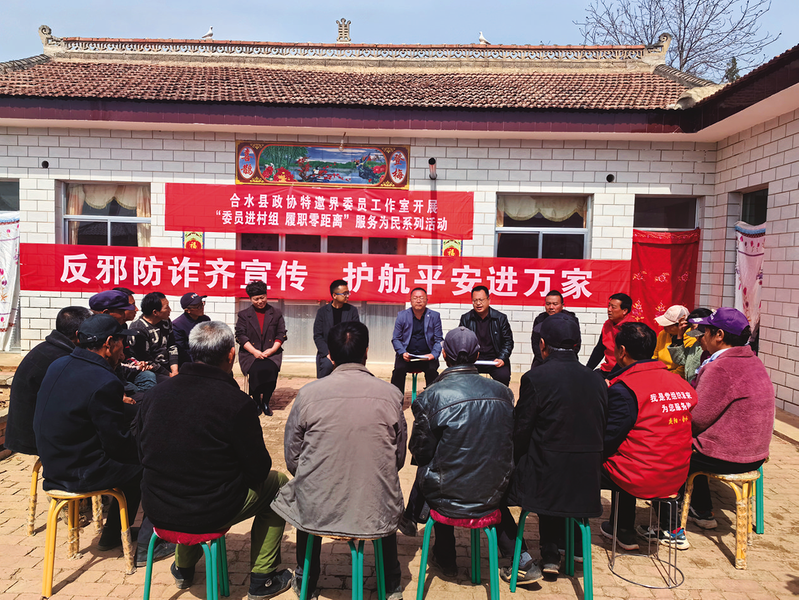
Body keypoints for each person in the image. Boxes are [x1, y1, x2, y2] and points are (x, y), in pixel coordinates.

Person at [137, 321, 292, 599]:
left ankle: (183, 568)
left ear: (192, 351)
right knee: (278, 483)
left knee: (188, 482)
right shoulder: (237, 403)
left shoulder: (155, 394)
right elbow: (258, 469)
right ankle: (263, 577)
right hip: (209, 510)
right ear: (231, 355)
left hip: (157, 507)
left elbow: (141, 450)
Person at [271, 322, 406, 600]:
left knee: (306, 492)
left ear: (330, 355)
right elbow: (398, 457)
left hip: (319, 505)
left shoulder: (308, 394)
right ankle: (391, 583)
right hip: (373, 505)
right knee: (383, 491)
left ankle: (305, 579)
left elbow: (293, 457)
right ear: (366, 351)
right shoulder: (392, 394)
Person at [33, 314, 174, 565]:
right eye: (121, 343)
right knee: (153, 466)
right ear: (109, 343)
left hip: (53, 462)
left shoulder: (59, 363)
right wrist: (150, 451)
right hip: (79, 472)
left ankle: (112, 535)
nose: (124, 350)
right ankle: (147, 545)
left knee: (136, 462)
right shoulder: (104, 380)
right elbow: (116, 444)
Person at [504, 313, 607, 579]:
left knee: (539, 465)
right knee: (556, 464)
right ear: (578, 345)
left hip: (546, 481)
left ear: (542, 345)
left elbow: (521, 430)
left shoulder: (536, 378)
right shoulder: (597, 380)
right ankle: (568, 549)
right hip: (586, 481)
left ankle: (548, 553)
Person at [408, 326, 515, 578]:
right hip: (494, 489)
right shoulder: (503, 392)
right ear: (478, 355)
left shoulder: (431, 395)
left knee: (436, 469)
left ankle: (444, 555)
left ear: (444, 354)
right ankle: (518, 556)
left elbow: (420, 452)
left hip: (448, 492)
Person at [600, 322, 698, 551]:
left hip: (640, 476)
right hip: (676, 475)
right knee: (636, 452)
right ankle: (661, 528)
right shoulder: (680, 384)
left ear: (622, 351)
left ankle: (619, 530)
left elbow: (609, 437)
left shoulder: (625, 388)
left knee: (601, 457)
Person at [683, 307, 774, 533]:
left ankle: (676, 521)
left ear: (719, 335)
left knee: (673, 448)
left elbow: (697, 419)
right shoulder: (753, 360)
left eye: (705, 331)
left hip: (729, 456)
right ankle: (700, 508)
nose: (702, 336)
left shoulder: (721, 367)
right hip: (757, 455)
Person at [5, 306, 91, 456]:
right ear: (79, 335)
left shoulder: (48, 348)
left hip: (26, 431)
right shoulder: (61, 359)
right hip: (33, 437)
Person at [90, 289, 156, 398]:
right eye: (122, 311)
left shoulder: (122, 326)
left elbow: (124, 355)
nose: (135, 309)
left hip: (121, 372)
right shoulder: (92, 332)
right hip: (107, 378)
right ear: (106, 313)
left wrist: (136, 364)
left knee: (148, 376)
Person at [235, 281, 287, 416]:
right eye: (256, 299)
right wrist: (254, 352)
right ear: (250, 299)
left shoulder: (276, 313)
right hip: (250, 353)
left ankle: (266, 402)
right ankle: (257, 401)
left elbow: (281, 333)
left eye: (262, 297)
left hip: (271, 352)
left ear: (266, 295)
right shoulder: (244, 315)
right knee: (256, 372)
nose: (260, 301)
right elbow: (240, 335)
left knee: (271, 371)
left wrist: (272, 350)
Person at [389, 287, 444, 395]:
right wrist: (402, 352)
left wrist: (433, 354)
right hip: (406, 356)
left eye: (421, 298)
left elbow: (439, 339)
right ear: (410, 301)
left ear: (427, 300)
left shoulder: (434, 316)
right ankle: (396, 400)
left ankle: (432, 400)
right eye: (415, 298)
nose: (418, 301)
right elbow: (396, 339)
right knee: (398, 371)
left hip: (427, 357)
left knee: (432, 372)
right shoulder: (402, 315)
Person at [458, 285, 514, 385]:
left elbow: (508, 342)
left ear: (488, 300)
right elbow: (461, 341)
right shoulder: (466, 318)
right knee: (461, 378)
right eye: (475, 300)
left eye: (481, 300)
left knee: (503, 376)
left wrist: (502, 358)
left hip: (495, 359)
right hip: (473, 359)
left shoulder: (500, 318)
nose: (478, 303)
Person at [312, 279, 360, 378]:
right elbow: (318, 336)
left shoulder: (352, 311)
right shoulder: (322, 312)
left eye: (348, 293)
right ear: (334, 295)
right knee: (327, 365)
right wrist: (327, 354)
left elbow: (356, 333)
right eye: (344, 293)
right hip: (327, 352)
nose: (347, 296)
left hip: (347, 352)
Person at [129, 291, 179, 380]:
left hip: (169, 368)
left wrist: (174, 371)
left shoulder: (166, 321)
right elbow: (146, 359)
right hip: (151, 371)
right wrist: (169, 375)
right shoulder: (138, 329)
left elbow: (172, 346)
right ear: (155, 312)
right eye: (166, 307)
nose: (170, 310)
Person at [587, 293, 636, 377]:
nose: (609, 310)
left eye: (613, 307)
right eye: (609, 306)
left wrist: (610, 378)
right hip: (607, 370)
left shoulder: (632, 328)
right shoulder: (607, 324)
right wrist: (587, 370)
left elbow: (627, 358)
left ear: (624, 311)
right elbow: (599, 349)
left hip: (624, 371)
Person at [529, 290, 580, 369]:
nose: (551, 307)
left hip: (567, 360)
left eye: (555, 304)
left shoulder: (571, 320)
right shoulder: (540, 320)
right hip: (542, 360)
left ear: (562, 305)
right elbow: (535, 344)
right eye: (548, 304)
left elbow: (576, 344)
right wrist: (546, 361)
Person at [667, 307, 712, 383]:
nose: (691, 330)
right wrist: (679, 336)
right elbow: (680, 359)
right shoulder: (696, 345)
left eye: (693, 326)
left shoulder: (711, 348)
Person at [652, 305, 698, 377]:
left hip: (675, 376)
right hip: (660, 372)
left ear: (682, 325)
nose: (664, 326)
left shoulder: (691, 338)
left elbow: (684, 366)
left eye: (669, 324)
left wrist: (667, 375)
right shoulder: (663, 334)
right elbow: (655, 356)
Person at [172, 292, 210, 366]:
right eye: (198, 306)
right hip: (190, 362)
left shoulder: (205, 320)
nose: (202, 307)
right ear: (187, 310)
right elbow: (181, 351)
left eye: (202, 304)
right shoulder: (178, 325)